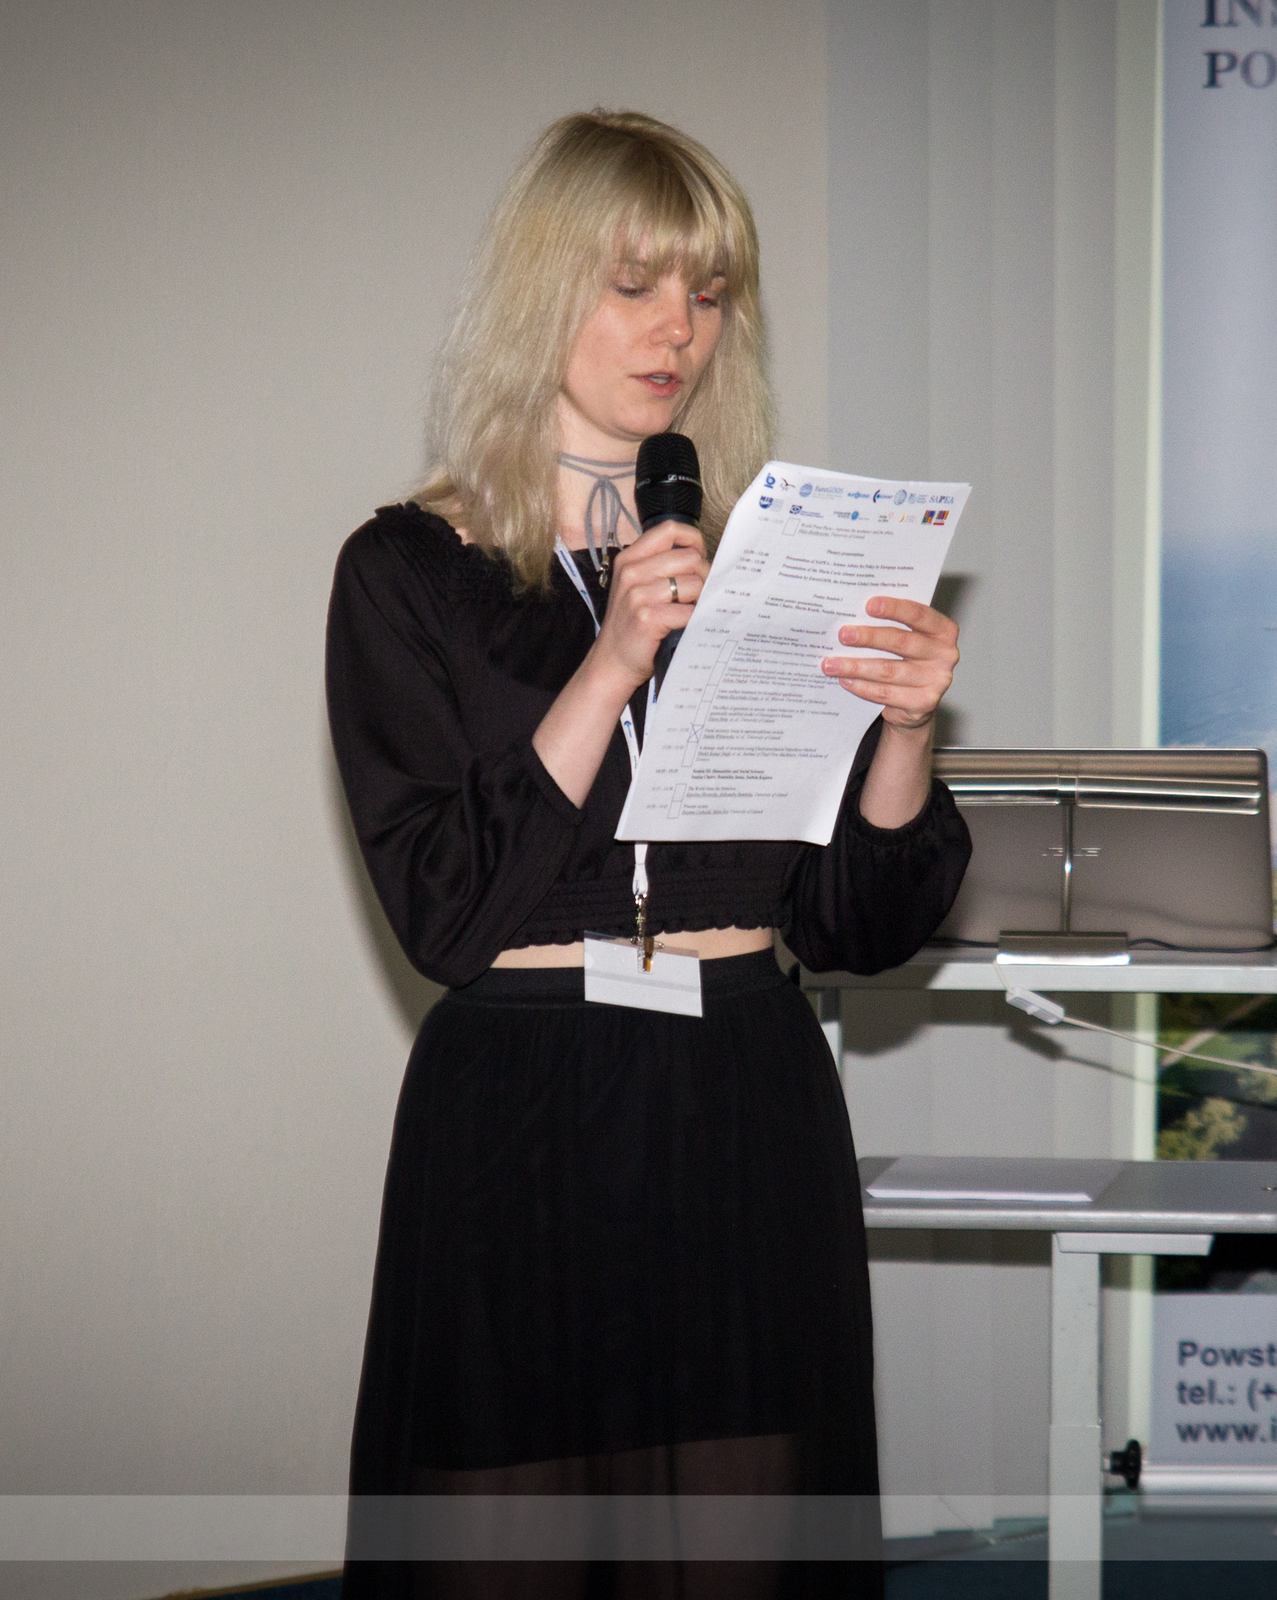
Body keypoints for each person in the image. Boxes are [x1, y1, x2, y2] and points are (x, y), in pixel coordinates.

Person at [325, 110, 970, 1600]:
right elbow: (443, 912)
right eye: (635, 285)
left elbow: (859, 926)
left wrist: (905, 733)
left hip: (738, 1090)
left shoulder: (773, 566)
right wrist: (611, 658)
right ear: (541, 292)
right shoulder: (405, 572)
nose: (678, 328)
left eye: (710, 293)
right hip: (521, 1105)